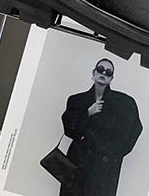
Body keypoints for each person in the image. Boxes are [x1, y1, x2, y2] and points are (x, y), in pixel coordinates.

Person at [59, 58, 142, 196]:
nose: (103, 73)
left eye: (108, 72)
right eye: (100, 69)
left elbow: (135, 129)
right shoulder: (76, 100)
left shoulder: (123, 103)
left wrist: (113, 155)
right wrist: (86, 113)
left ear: (111, 79)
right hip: (77, 162)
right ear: (93, 73)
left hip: (104, 168)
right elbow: (69, 130)